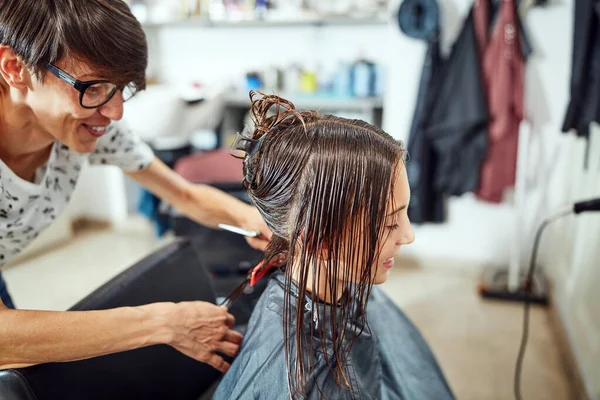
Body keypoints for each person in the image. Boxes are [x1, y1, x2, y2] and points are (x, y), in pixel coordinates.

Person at [0, 0, 272, 373]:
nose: (114, 113)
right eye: (93, 88)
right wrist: (164, 324)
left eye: (121, 89)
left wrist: (262, 224)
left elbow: (183, 194)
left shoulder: (88, 123)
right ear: (15, 68)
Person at [213, 92, 455, 399]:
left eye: (404, 214)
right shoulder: (298, 379)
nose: (408, 237)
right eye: (391, 222)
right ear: (320, 241)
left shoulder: (339, 286)